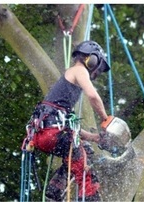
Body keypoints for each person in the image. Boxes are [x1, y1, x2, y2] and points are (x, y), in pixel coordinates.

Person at [25, 40, 112, 201]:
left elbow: (70, 126)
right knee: (84, 167)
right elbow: (93, 96)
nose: (96, 72)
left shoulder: (64, 97)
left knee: (79, 151)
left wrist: (94, 138)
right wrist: (106, 119)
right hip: (52, 133)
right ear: (91, 59)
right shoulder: (79, 70)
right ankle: (91, 198)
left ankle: (54, 190)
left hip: (45, 135)